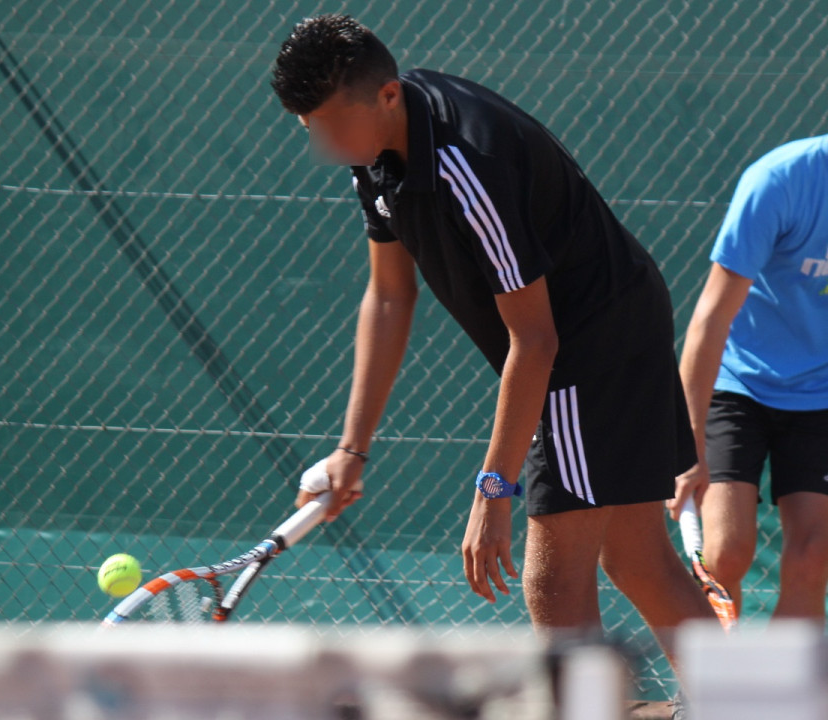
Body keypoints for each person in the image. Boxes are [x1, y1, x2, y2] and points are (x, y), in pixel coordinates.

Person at [270, 14, 714, 666]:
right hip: (613, 319)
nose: (330, 145)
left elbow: (535, 340)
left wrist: (494, 491)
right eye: (315, 132)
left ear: (389, 95)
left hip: (588, 340)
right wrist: (351, 452)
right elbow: (390, 297)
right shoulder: (373, 153)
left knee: (553, 585)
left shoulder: (464, 163)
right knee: (639, 556)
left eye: (337, 125)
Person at [670, 135, 828, 623]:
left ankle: (782, 695)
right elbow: (711, 317)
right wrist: (685, 444)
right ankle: (703, 691)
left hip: (820, 394)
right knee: (723, 555)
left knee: (815, 556)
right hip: (736, 383)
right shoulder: (779, 180)